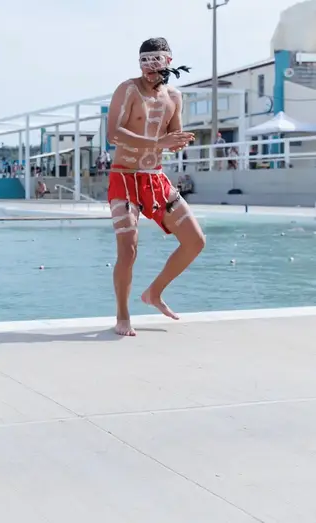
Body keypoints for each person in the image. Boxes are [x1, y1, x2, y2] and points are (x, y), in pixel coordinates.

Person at [105, 38, 204, 336]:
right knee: (128, 248)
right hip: (124, 176)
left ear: (168, 63)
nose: (148, 69)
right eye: (143, 63)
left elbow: (173, 134)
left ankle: (154, 293)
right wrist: (158, 142)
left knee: (195, 241)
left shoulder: (175, 96)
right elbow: (113, 134)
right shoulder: (128, 89)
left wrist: (179, 140)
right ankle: (123, 316)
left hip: (155, 178)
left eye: (154, 63)